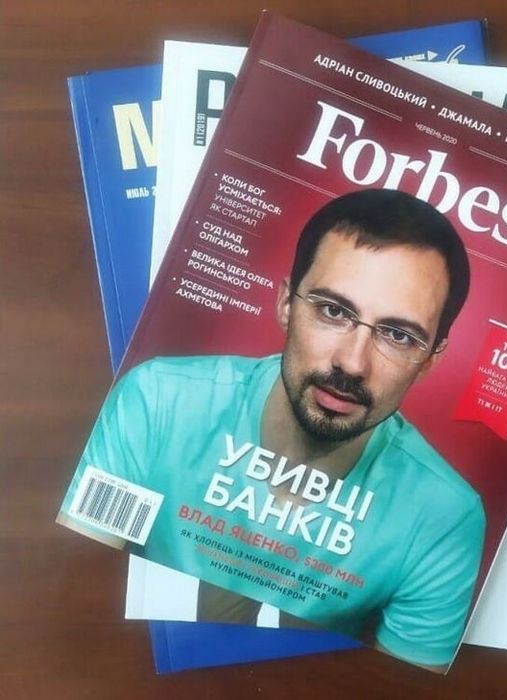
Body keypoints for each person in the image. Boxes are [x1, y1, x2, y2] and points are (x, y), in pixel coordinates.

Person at [59, 189, 485, 670]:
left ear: (430, 360)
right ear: (286, 303)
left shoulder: (444, 517)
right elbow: (73, 595)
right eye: (333, 310)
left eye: (398, 335)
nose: (352, 363)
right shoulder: (158, 401)